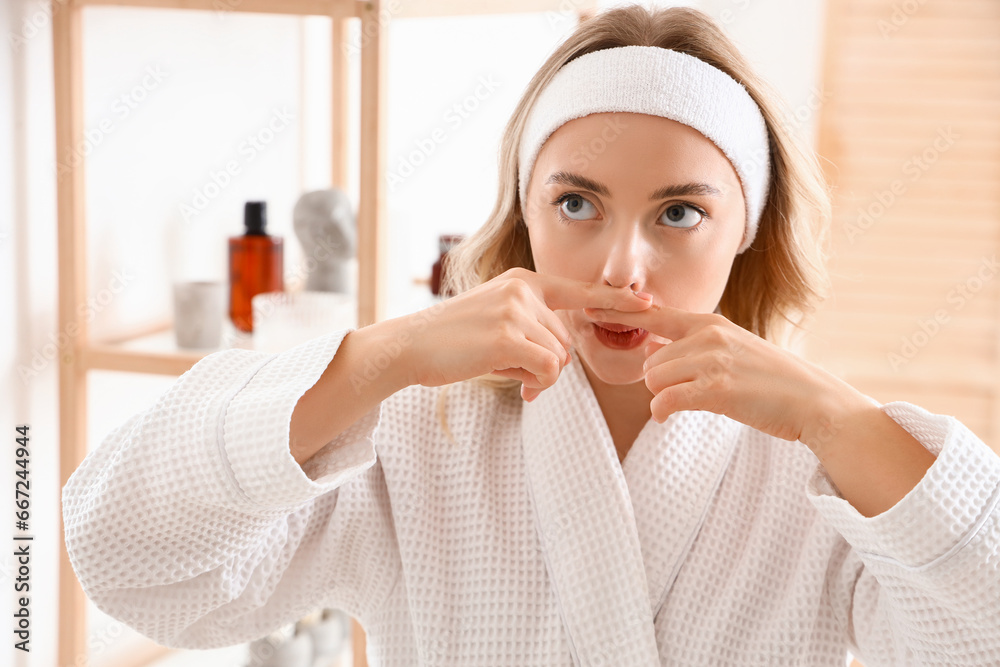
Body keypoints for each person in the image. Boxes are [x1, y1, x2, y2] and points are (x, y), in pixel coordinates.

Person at [62, 5, 1000, 666]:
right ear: (524, 211)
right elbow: (121, 550)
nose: (620, 270)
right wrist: (381, 359)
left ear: (747, 225)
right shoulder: (418, 435)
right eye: (578, 202)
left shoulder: (819, 469)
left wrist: (840, 418)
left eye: (679, 212)